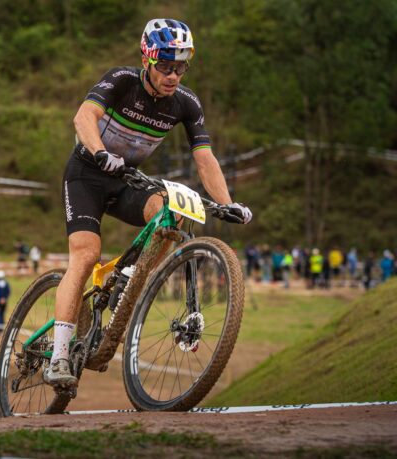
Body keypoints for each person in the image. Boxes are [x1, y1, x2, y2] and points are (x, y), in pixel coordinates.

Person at [44, 18, 252, 387]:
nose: (174, 75)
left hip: (127, 180)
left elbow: (204, 157)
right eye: (166, 66)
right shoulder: (121, 81)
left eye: (181, 66)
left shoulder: (186, 104)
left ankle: (129, 277)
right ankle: (58, 357)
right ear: (147, 60)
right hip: (87, 175)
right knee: (86, 254)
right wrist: (99, 151)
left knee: (168, 216)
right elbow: (83, 116)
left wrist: (228, 203)